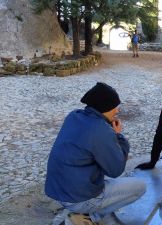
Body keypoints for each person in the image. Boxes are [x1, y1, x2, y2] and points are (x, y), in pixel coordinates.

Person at [45, 82, 146, 225]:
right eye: (114, 107)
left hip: (58, 191)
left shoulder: (74, 115)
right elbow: (115, 170)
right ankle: (85, 219)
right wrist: (118, 136)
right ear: (105, 107)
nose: (117, 111)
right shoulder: (101, 130)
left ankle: (77, 213)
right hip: (77, 199)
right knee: (140, 187)